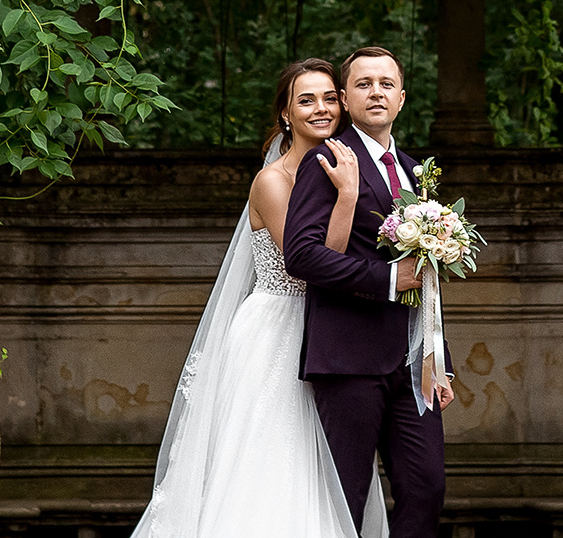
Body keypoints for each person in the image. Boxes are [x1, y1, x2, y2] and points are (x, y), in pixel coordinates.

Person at [131, 59, 388, 538]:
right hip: (277, 330)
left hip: (331, 330)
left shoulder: (347, 167)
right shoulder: (274, 181)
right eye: (306, 100)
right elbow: (315, 265)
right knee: (272, 460)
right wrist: (348, 198)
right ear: (286, 114)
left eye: (330, 97)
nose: (322, 108)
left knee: (328, 464)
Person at [282, 47, 451, 538]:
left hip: (412, 362)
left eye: (385, 84)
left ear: (401, 98)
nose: (375, 92)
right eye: (363, 84)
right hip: (348, 357)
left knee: (426, 487)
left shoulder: (420, 173)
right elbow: (303, 256)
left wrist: (440, 357)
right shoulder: (327, 159)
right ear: (347, 100)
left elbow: (430, 273)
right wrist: (388, 281)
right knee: (346, 498)